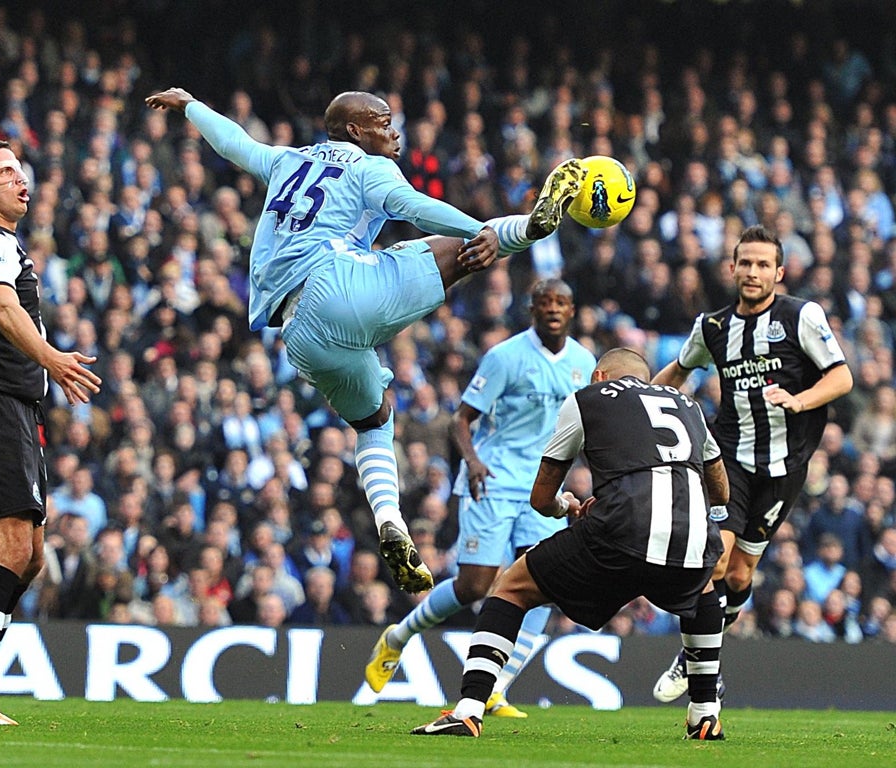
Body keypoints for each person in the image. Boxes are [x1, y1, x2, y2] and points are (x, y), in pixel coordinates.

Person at [145, 87, 583, 593]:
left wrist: (193, 106)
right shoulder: (365, 165)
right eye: (383, 121)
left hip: (298, 334)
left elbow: (234, 143)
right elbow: (412, 207)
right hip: (339, 286)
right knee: (453, 247)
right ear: (355, 132)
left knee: (375, 419)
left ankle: (388, 519)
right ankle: (529, 227)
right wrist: (477, 229)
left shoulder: (288, 160)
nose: (393, 131)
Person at [411, 348, 729, 740]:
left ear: (598, 376)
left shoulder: (586, 399)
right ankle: (704, 714)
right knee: (702, 592)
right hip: (693, 532)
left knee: (512, 588)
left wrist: (570, 506)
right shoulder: (688, 405)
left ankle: (469, 708)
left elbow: (542, 498)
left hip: (621, 528)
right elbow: (721, 491)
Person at [364, 279, 596, 718]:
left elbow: (585, 428)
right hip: (492, 480)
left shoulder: (584, 363)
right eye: (545, 302)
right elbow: (461, 420)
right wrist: (471, 461)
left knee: (545, 584)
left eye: (561, 303)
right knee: (475, 584)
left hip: (542, 486)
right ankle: (397, 638)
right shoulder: (506, 356)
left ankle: (496, 687)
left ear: (571, 311)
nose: (553, 309)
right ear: (531, 310)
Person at [0, 138, 103, 726]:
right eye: (5, 172)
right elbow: (4, 310)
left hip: (13, 408)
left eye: (21, 170)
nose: (21, 180)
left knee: (29, 555)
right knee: (9, 547)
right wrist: (53, 359)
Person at [649, 225, 852, 703]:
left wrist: (799, 402)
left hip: (785, 468)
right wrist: (633, 404)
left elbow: (841, 376)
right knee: (715, 557)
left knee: (740, 575)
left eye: (764, 265)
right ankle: (703, 667)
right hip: (729, 460)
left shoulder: (802, 316)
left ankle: (699, 650)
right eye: (746, 263)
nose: (754, 272)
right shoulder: (713, 327)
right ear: (733, 268)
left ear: (779, 272)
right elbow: (676, 373)